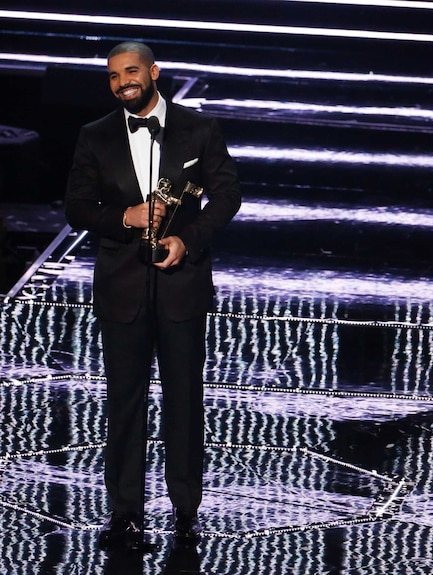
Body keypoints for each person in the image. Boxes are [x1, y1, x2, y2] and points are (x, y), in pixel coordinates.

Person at [65, 41, 242, 549]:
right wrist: (125, 217)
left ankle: (187, 510)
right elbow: (77, 207)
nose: (124, 82)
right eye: (115, 76)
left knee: (184, 400)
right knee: (124, 402)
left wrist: (188, 238)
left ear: (154, 72)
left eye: (132, 72)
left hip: (182, 286)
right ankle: (125, 513)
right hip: (122, 288)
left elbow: (227, 194)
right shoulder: (94, 136)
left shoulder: (199, 129)